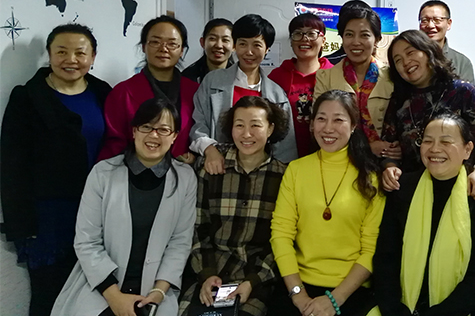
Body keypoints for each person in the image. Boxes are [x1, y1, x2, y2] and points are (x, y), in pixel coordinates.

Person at [0, 23, 111, 316]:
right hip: (48, 218)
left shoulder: (103, 93)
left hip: (98, 211)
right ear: (49, 54)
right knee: (48, 295)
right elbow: (12, 166)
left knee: (92, 298)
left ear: (93, 57)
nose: (70, 59)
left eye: (80, 53)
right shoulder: (27, 98)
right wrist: (22, 226)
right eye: (61, 51)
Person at [51, 97, 197, 316]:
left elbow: (180, 242)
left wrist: (159, 291)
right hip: (102, 289)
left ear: (175, 136)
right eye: (146, 127)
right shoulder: (103, 173)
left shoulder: (185, 178)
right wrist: (115, 297)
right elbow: (87, 242)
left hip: (155, 291)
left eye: (163, 129)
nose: (154, 135)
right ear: (134, 131)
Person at [373, 113, 475, 315]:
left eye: (446, 142)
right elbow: (386, 258)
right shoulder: (403, 188)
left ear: (467, 149)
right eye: (427, 141)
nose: (434, 149)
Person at [269, 90, 385, 316]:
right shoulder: (296, 170)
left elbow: (371, 248)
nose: (328, 128)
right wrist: (298, 295)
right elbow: (281, 234)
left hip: (351, 291)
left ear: (353, 126)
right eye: (321, 119)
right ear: (312, 124)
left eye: (338, 120)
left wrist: (335, 299)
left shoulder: (370, 178)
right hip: (298, 285)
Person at [179, 96, 289, 316]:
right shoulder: (212, 168)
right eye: (239, 125)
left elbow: (281, 241)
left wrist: (253, 280)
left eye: (255, 125)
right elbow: (198, 227)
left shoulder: (284, 177)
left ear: (270, 129)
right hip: (208, 273)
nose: (246, 134)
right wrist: (206, 274)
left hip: (256, 278)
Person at [381, 30, 475, 200]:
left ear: (428, 52)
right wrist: (390, 167)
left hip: (463, 192)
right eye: (398, 60)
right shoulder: (399, 101)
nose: (406, 62)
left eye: (410, 53)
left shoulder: (462, 92)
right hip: (413, 193)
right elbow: (389, 148)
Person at [189, 14, 297, 173]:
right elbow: (198, 124)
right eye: (242, 44)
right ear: (235, 45)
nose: (249, 52)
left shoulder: (277, 95)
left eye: (257, 45)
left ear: (267, 49)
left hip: (262, 173)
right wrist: (210, 149)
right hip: (219, 168)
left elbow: (285, 147)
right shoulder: (212, 82)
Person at [99, 15, 199, 164]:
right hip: (133, 172)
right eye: (155, 42)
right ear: (143, 47)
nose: (163, 49)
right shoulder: (122, 92)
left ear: (181, 51)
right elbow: (114, 144)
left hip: (185, 172)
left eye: (172, 44)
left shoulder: (195, 92)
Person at [314, 6, 400, 159]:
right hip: (338, 158)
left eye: (364, 35)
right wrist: (367, 148)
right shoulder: (325, 77)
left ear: (377, 39)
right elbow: (319, 127)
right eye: (349, 35)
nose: (356, 42)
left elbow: (400, 125)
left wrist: (396, 149)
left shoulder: (391, 76)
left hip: (384, 160)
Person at [269, 13, 334, 156]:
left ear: (323, 40)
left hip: (327, 154)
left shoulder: (335, 75)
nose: (305, 38)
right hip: (283, 157)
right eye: (298, 33)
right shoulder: (276, 77)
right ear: (291, 41)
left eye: (311, 33)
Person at [418, 0, 475, 85]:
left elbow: (468, 92)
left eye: (437, 20)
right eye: (425, 20)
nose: (430, 25)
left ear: (448, 23)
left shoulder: (461, 62)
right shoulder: (411, 58)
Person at [182, 18, 235, 84]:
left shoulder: (240, 77)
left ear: (234, 46)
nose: (219, 45)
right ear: (202, 42)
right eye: (212, 39)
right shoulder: (188, 78)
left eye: (225, 40)